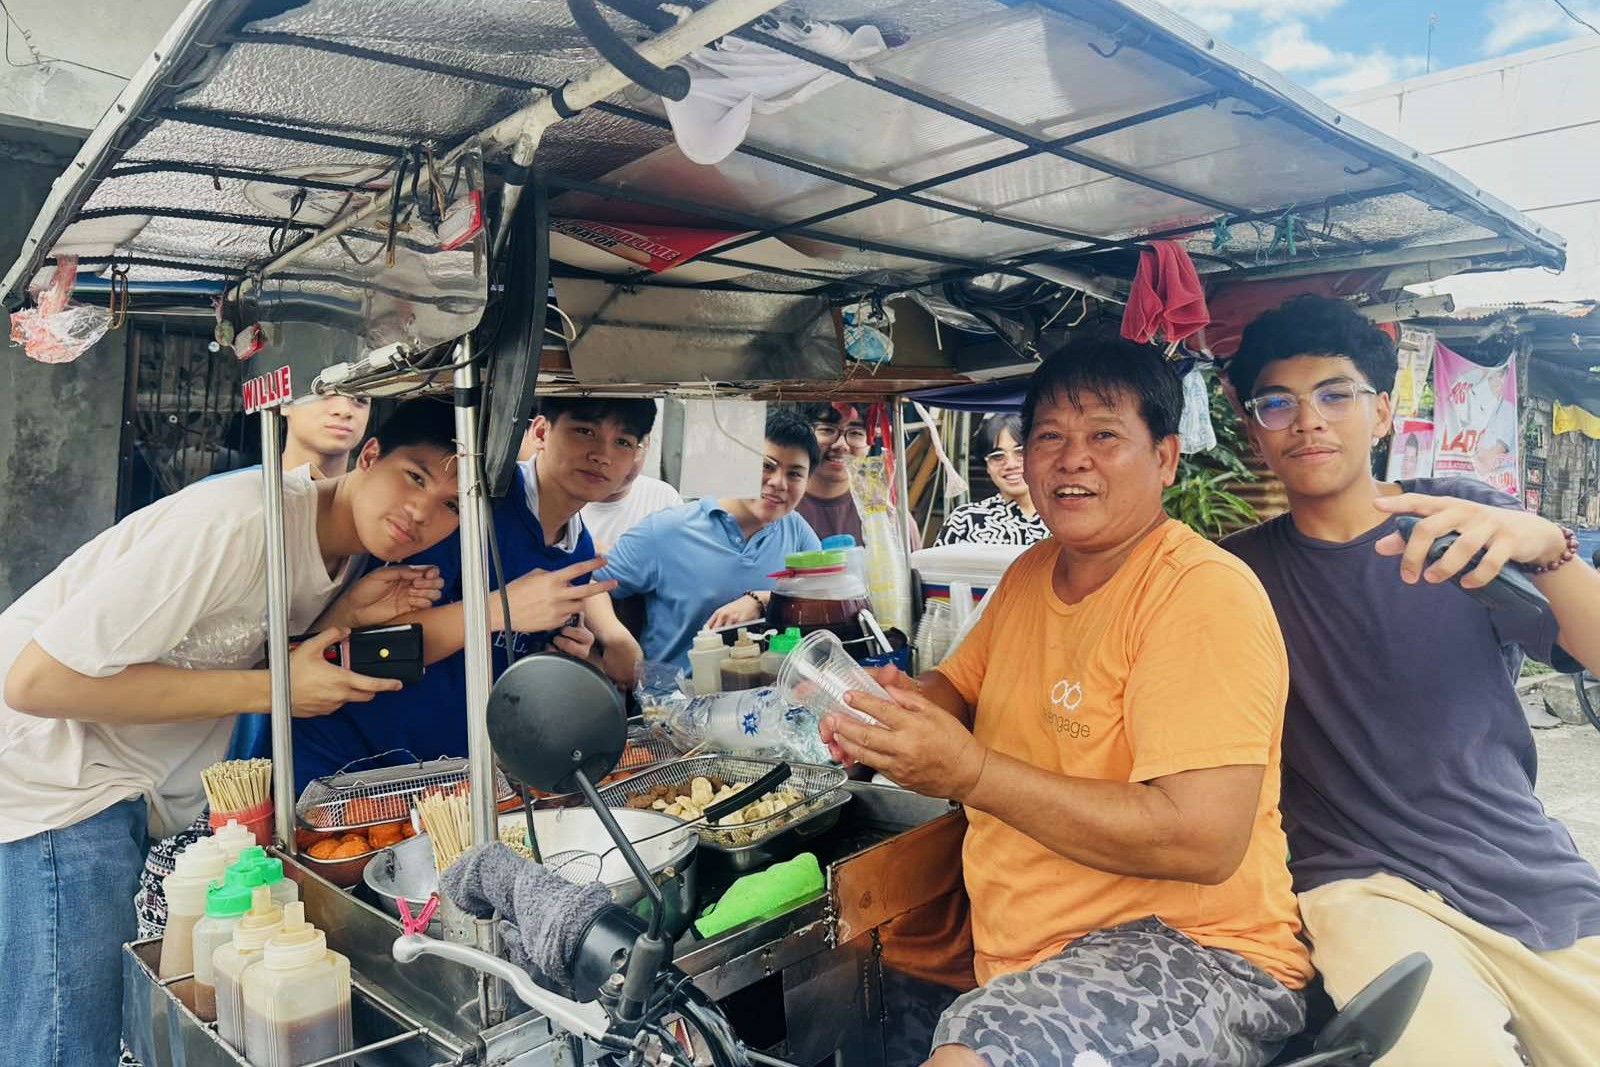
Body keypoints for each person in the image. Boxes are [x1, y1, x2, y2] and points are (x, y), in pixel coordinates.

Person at [822, 339, 1311, 1066]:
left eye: (1104, 436)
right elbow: (957, 688)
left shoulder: (1202, 592)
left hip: (1198, 954)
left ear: (1166, 458)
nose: (1071, 458)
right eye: (1049, 436)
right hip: (1026, 963)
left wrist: (971, 773)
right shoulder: (1030, 572)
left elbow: (1202, 839)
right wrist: (898, 706)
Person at [0, 399, 461, 1067]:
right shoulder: (241, 521)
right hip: (54, 776)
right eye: (415, 476)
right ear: (368, 456)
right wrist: (275, 691)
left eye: (451, 503)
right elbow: (33, 682)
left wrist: (342, 613)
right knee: (66, 1041)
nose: (423, 512)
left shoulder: (350, 551)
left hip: (131, 778)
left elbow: (234, 638)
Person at [1220, 294, 1600, 1067]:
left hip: (1527, 873)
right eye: (1277, 403)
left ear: (1384, 412)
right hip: (1361, 888)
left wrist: (1550, 549)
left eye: (1336, 394)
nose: (1309, 421)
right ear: (1252, 428)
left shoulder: (1466, 526)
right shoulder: (1229, 575)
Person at [294, 397, 651, 788]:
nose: (601, 454)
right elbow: (368, 646)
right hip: (344, 761)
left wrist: (553, 660)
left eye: (623, 442)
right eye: (585, 431)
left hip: (447, 774)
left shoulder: (579, 550)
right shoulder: (465, 498)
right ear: (541, 432)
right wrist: (501, 609)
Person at [599, 410, 822, 669]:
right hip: (676, 702)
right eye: (766, 466)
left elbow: (823, 596)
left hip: (770, 700)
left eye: (795, 474)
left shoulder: (795, 529)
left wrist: (762, 599)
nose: (778, 483)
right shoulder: (666, 530)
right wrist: (617, 640)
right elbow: (591, 583)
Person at [933, 413, 1049, 546]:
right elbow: (935, 566)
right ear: (987, 466)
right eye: (998, 456)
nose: (1011, 465)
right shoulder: (964, 521)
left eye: (1020, 452)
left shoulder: (1067, 514)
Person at [581, 429, 682, 552]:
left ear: (646, 446)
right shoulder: (558, 500)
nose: (608, 460)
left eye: (624, 443)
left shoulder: (665, 500)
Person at [795, 402, 871, 543]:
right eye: (828, 430)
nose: (841, 445)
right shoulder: (779, 503)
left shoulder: (881, 510)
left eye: (856, 433)